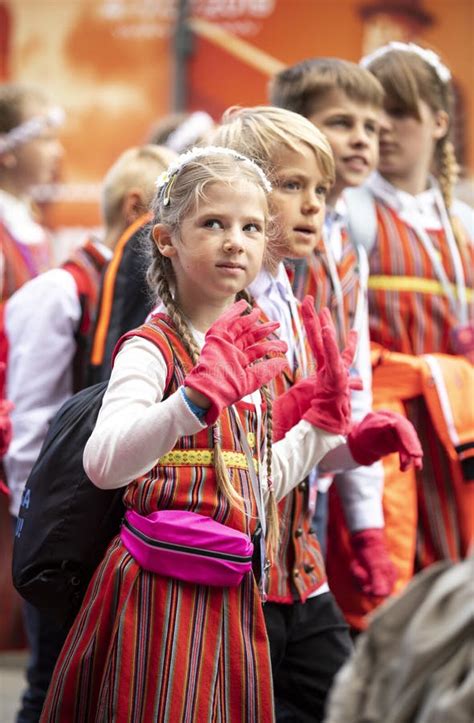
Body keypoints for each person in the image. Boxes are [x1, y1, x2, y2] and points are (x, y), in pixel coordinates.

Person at [40, 147, 355, 723]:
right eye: (213, 223)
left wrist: (321, 429)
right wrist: (191, 401)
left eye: (251, 227)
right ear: (166, 239)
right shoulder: (151, 344)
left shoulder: (253, 348)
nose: (235, 240)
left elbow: (254, 486)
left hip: (229, 596)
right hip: (157, 597)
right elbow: (105, 464)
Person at [211, 106, 422, 722]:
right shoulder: (222, 309)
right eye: (292, 184)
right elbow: (237, 475)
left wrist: (356, 445)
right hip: (232, 583)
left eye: (321, 190)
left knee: (351, 706)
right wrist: (311, 426)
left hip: (300, 573)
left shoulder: (294, 298)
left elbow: (302, 457)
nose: (313, 206)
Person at [5, 144, 174, 723]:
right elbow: (34, 424)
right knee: (51, 685)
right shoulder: (60, 289)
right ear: (138, 207)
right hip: (66, 520)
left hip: (113, 516)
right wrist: (41, 529)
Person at [269, 59, 399, 625]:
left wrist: (368, 524)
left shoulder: (349, 242)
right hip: (262, 470)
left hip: (315, 479)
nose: (362, 139)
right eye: (342, 122)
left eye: (372, 127)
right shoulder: (274, 235)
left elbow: (354, 380)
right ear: (294, 127)